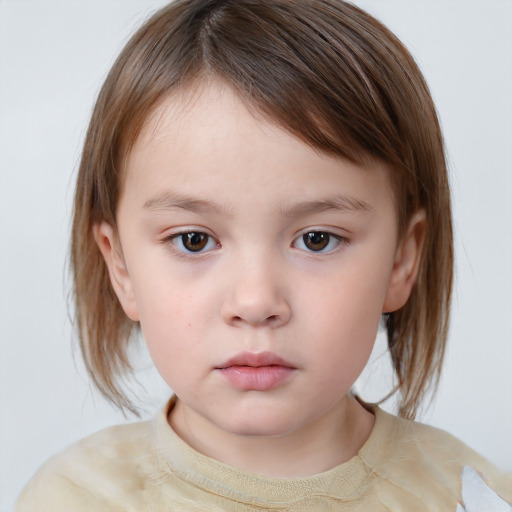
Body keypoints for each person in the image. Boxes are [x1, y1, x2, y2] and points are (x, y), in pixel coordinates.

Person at [14, 0, 512, 510]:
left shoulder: (469, 497)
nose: (255, 302)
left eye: (317, 239)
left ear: (402, 260)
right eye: (194, 240)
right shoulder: (70, 499)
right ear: (119, 266)